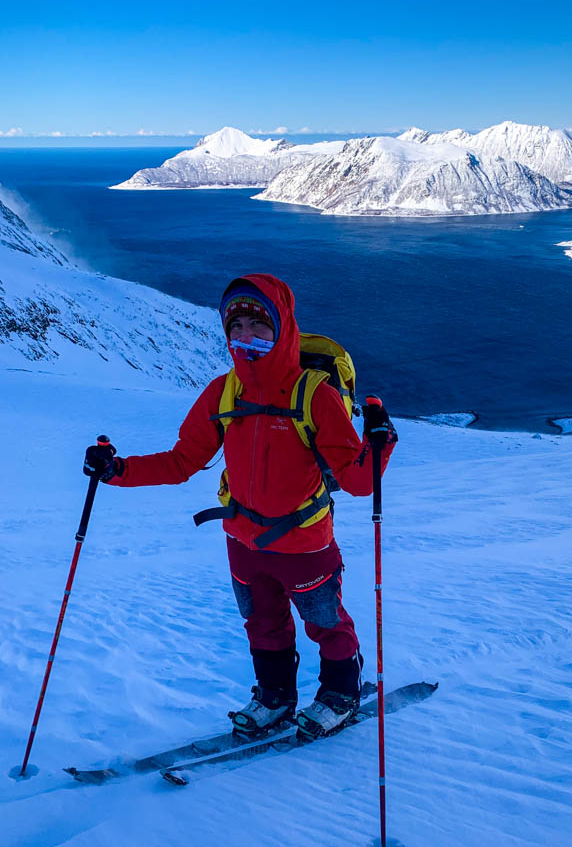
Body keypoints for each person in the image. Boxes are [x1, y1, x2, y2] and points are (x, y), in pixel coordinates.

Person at [83, 273, 397, 739]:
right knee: (262, 623)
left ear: (282, 327)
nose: (246, 338)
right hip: (242, 541)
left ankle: (339, 694)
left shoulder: (315, 395)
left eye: (259, 326)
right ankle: (275, 698)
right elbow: (182, 460)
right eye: (236, 329)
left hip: (305, 541)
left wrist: (381, 441)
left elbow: (354, 480)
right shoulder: (223, 392)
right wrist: (117, 470)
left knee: (325, 621)